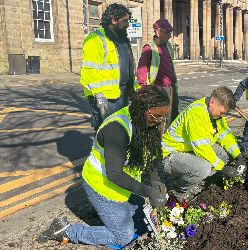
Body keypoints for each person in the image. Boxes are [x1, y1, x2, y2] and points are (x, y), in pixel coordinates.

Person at [38, 85, 171, 247]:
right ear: (142, 108)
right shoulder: (117, 129)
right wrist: (149, 192)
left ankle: (100, 211)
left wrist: (155, 180)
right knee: (123, 236)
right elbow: (115, 174)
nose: (159, 121)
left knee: (143, 221)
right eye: (156, 117)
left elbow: (148, 154)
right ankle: (64, 231)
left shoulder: (146, 122)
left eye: (162, 117)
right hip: (102, 186)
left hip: (123, 187)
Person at [160, 86, 247, 201]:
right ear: (212, 102)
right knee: (203, 168)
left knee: (227, 153)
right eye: (222, 112)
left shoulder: (215, 115)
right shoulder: (197, 113)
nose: (223, 116)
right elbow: (202, 149)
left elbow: (226, 136)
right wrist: (223, 167)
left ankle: (195, 174)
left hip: (190, 149)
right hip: (171, 155)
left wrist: (238, 156)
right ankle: (176, 191)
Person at [81, 3, 135, 132]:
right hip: (105, 99)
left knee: (121, 131)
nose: (128, 24)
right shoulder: (95, 39)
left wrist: (135, 89)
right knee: (105, 134)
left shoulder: (123, 40)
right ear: (113, 20)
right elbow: (89, 71)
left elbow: (129, 68)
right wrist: (98, 95)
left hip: (122, 94)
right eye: (125, 21)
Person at [136, 19, 179, 134]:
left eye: (170, 33)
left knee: (172, 118)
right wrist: (145, 91)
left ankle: (168, 144)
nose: (169, 36)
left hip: (171, 88)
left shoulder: (168, 46)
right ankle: (156, 146)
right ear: (158, 32)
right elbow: (141, 72)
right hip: (158, 90)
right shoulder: (149, 48)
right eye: (167, 33)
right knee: (158, 120)